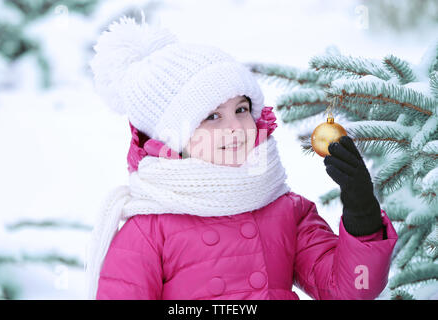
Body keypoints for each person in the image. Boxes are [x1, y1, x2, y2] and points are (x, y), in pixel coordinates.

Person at [85, 15, 398, 300]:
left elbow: (350, 289)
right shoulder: (149, 230)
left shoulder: (285, 210)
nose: (235, 128)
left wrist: (362, 212)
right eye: (212, 116)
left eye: (241, 110)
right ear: (173, 138)